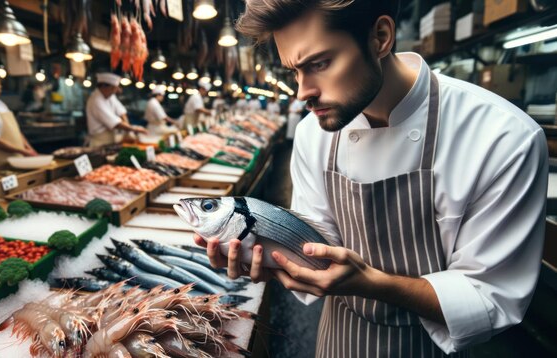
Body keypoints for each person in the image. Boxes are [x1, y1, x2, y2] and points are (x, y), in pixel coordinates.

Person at [195, 1, 548, 357]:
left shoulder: (504, 138)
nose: (303, 91)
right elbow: (314, 248)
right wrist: (270, 255)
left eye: (319, 64)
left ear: (380, 37)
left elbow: (490, 297)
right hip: (340, 339)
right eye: (294, 72)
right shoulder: (312, 135)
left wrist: (374, 284)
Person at [86, 72, 147, 148]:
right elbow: (114, 122)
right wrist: (133, 129)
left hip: (110, 138)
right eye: (114, 88)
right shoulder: (96, 100)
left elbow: (121, 112)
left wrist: (128, 130)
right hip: (99, 141)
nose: (116, 91)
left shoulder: (110, 95)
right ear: (105, 87)